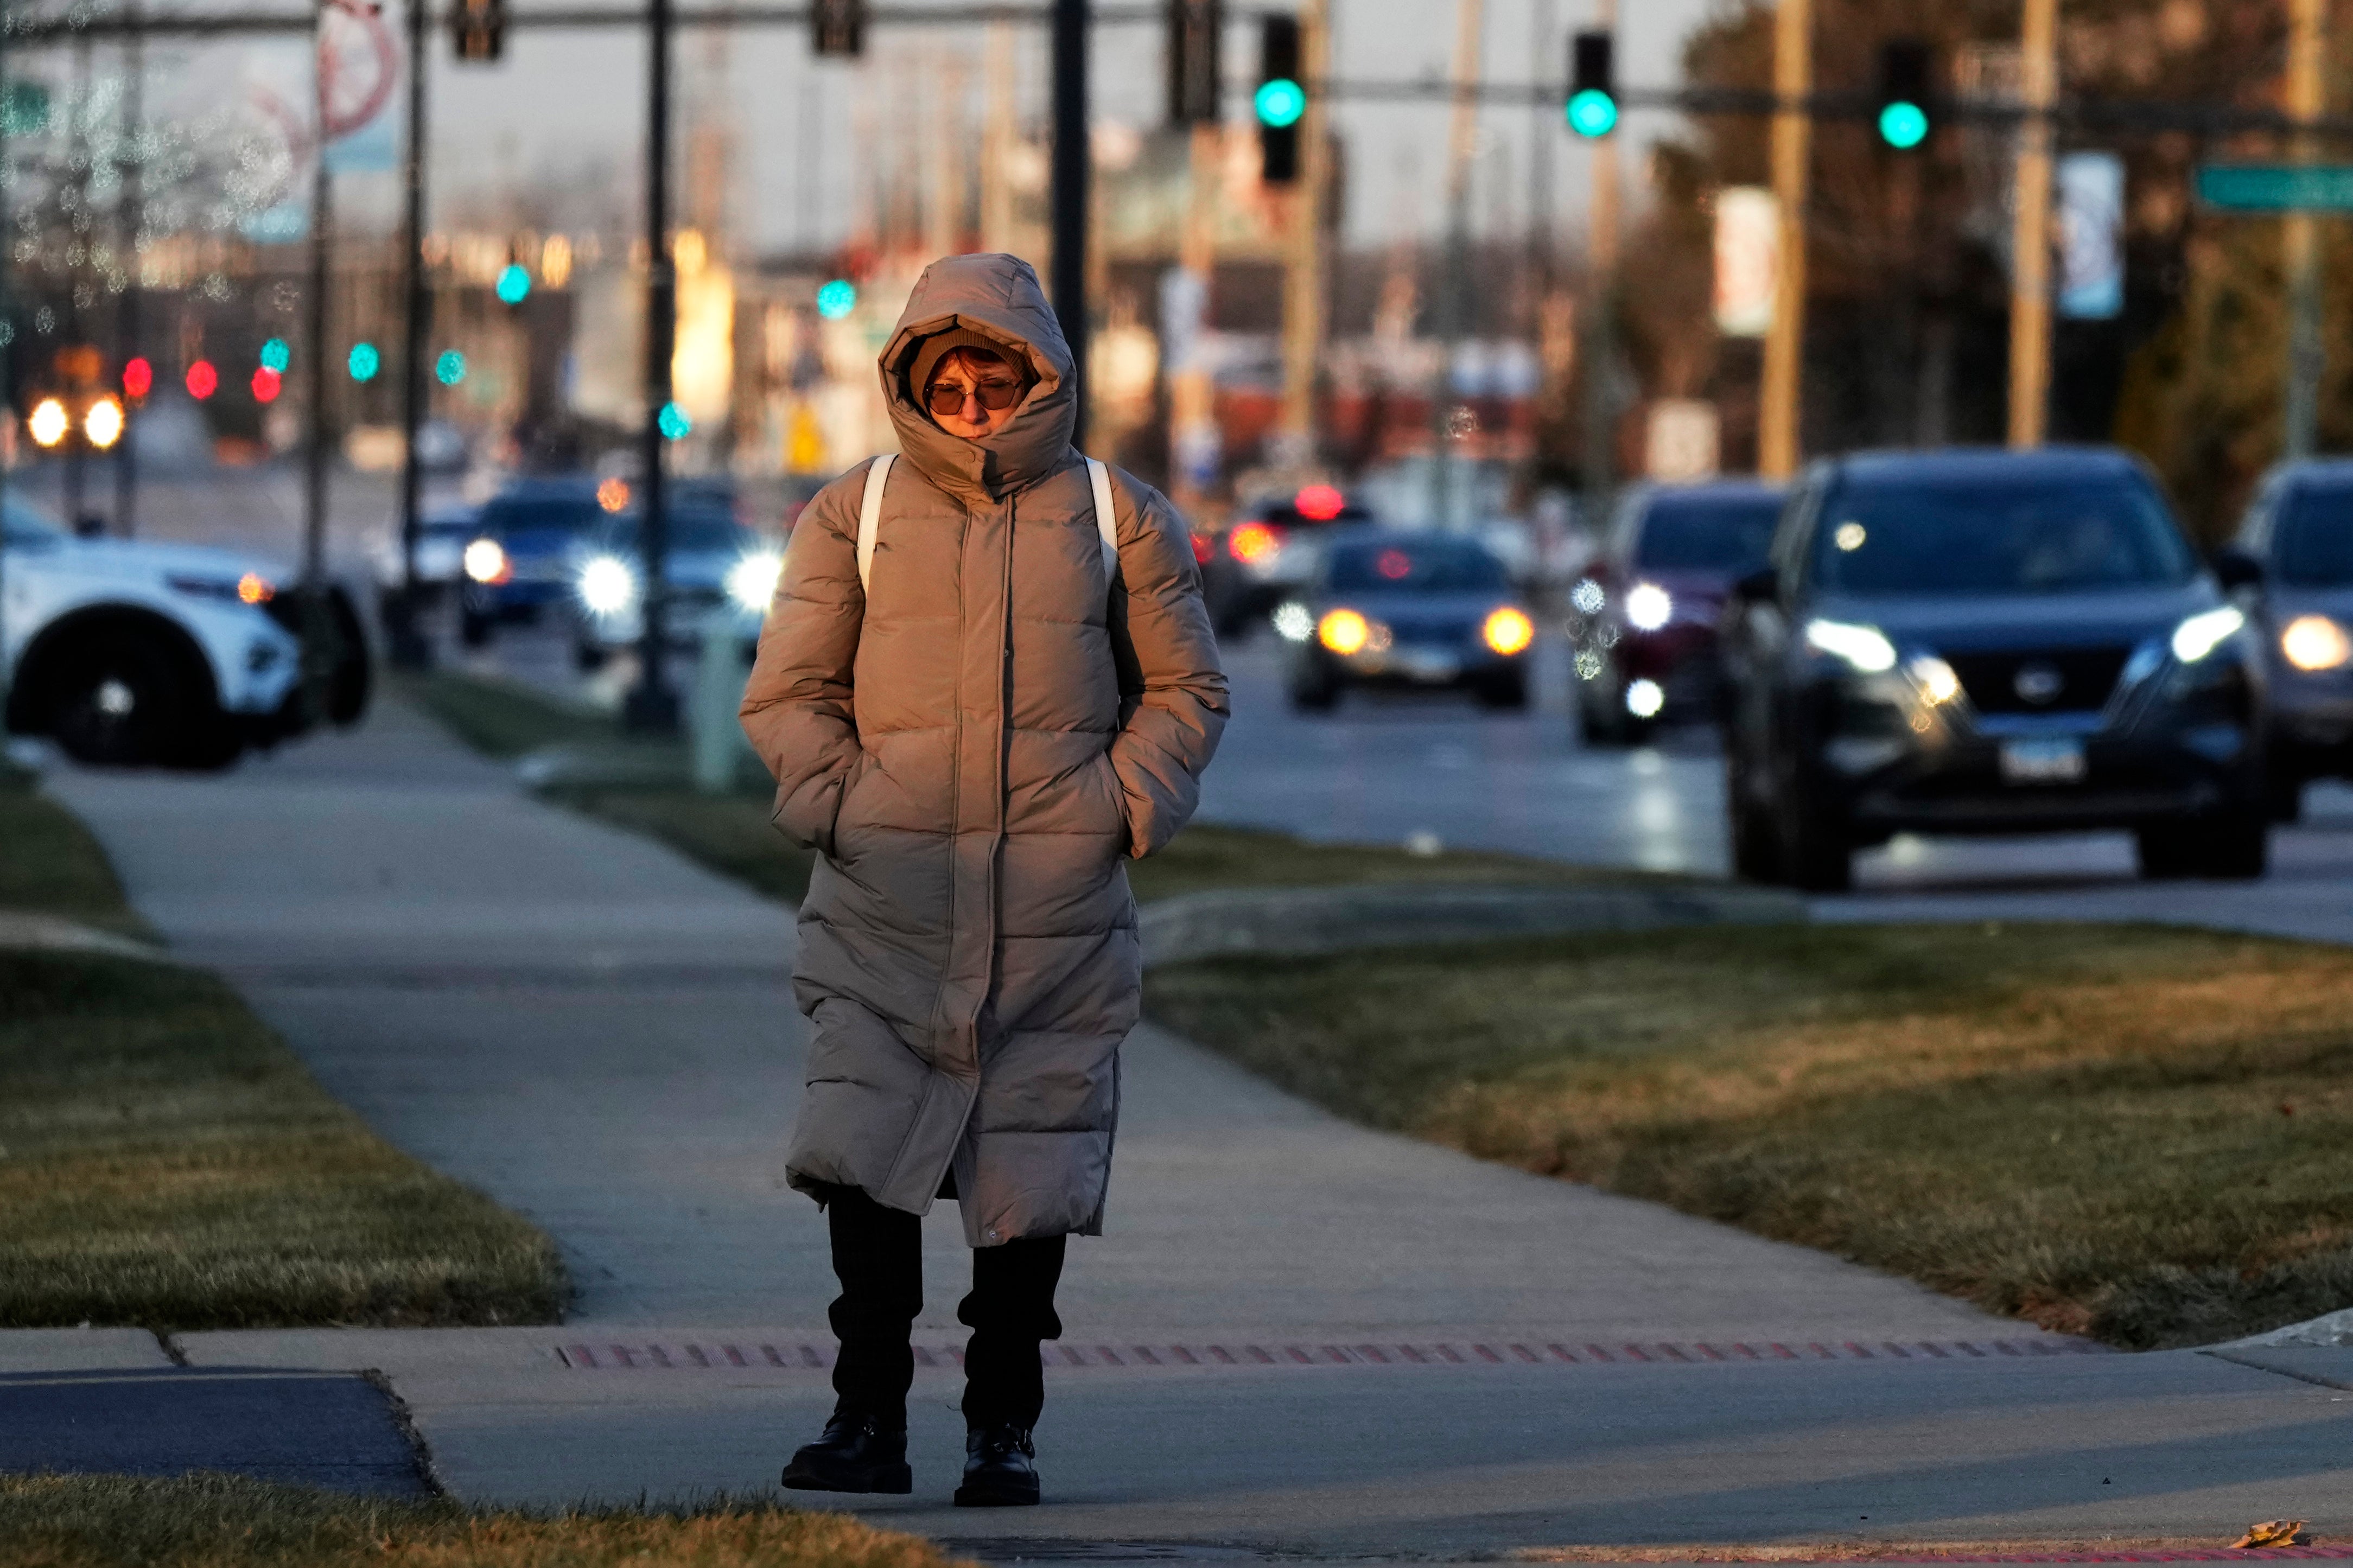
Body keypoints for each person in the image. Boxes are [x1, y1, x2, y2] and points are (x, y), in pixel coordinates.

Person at [740, 253, 1228, 1508]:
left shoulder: (1122, 518)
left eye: (991, 373)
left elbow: (1185, 689)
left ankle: (1001, 1424)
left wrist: (1118, 807)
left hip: (1052, 914)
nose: (968, 396)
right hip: (883, 902)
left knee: (1028, 1180)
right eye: (944, 377)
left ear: (1037, 374)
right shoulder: (849, 516)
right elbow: (789, 694)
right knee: (865, 1161)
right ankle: (866, 1417)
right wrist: (842, 803)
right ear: (910, 379)